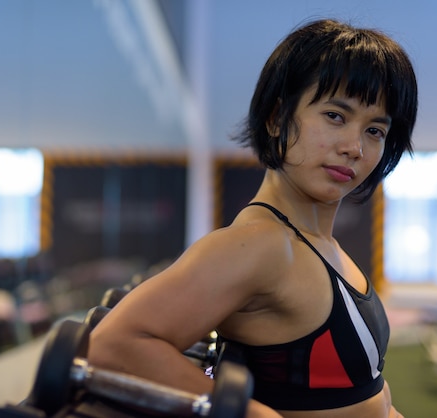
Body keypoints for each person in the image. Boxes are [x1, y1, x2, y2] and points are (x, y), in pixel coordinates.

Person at [89, 18, 417, 418]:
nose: (354, 147)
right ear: (277, 118)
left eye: (375, 131)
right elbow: (112, 345)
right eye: (335, 116)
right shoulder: (261, 245)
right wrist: (250, 413)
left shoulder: (322, 246)